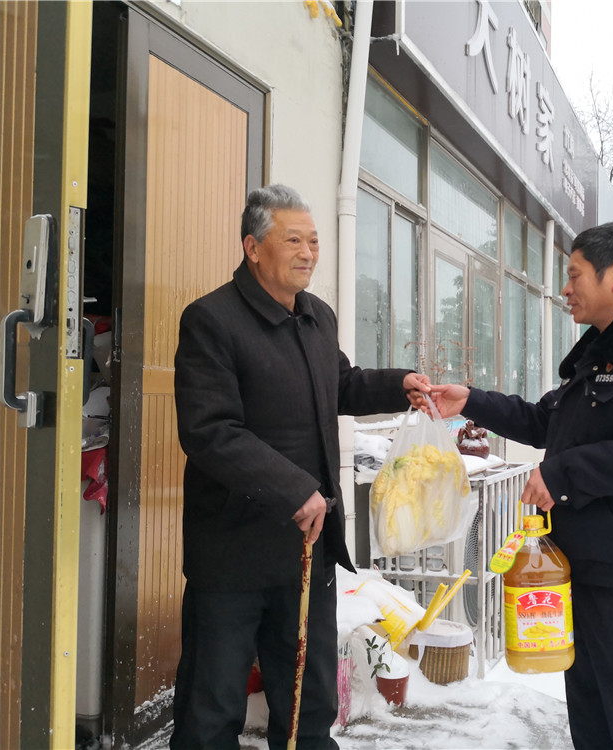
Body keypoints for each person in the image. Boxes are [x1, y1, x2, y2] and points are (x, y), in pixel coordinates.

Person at [431, 222, 613, 749]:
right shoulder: (604, 354)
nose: (566, 288)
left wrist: (560, 475)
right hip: (585, 570)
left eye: (575, 274)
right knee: (594, 714)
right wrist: (469, 401)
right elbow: (546, 422)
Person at [171, 184, 429, 749]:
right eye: (294, 240)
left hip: (305, 552)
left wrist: (397, 385)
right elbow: (211, 432)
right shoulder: (211, 320)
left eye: (314, 241)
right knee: (212, 704)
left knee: (308, 703)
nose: (309, 252)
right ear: (253, 247)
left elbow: (338, 383)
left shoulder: (317, 317)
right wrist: (294, 488)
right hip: (231, 554)